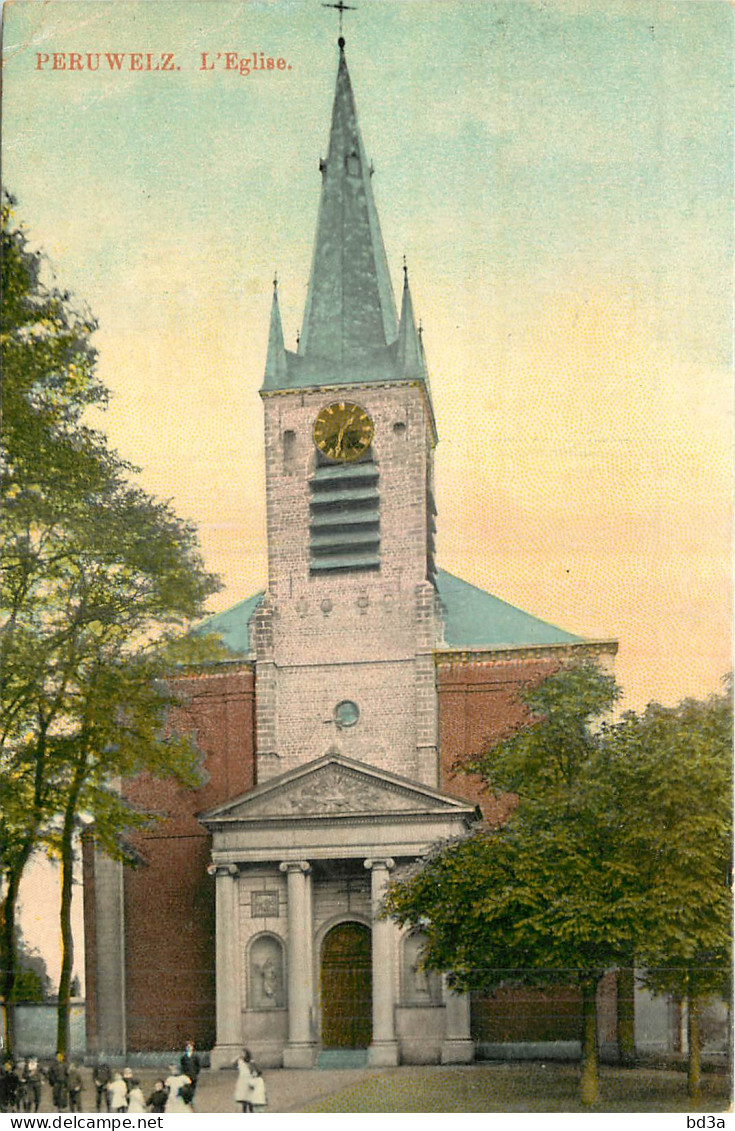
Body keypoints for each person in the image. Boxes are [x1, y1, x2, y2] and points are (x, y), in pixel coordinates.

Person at [233, 1049, 255, 1113]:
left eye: (243, 1053)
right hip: (242, 1080)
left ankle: (251, 1111)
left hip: (249, 1079)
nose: (242, 1054)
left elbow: (254, 1070)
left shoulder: (251, 1062)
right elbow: (233, 1064)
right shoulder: (240, 1061)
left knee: (250, 1098)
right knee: (243, 1097)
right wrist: (237, 1058)